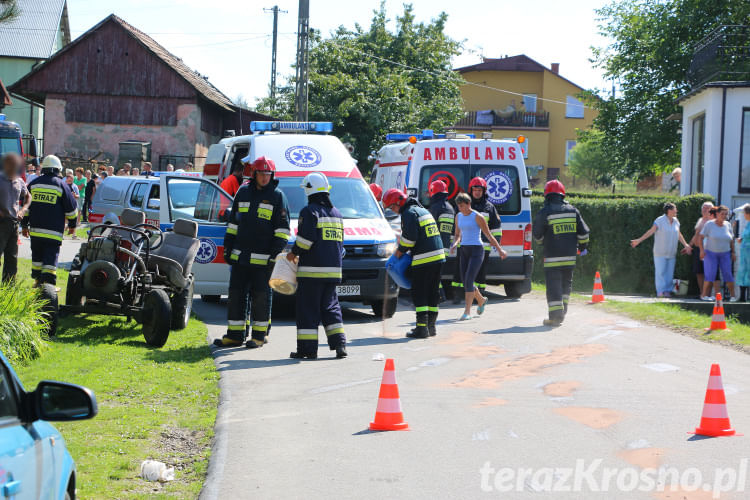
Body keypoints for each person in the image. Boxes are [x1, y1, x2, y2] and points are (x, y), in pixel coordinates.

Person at [215, 156, 290, 348]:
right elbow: (233, 224)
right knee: (236, 295)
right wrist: (228, 247)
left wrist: (274, 255)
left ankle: (258, 335)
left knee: (260, 297)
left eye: (268, 174)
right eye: (261, 174)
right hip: (240, 257)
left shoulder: (278, 196)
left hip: (264, 260)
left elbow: (282, 231)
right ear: (254, 174)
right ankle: (235, 335)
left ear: (271, 175)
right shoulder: (243, 193)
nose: (265, 178)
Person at [286, 172, 347, 359]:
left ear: (310, 190)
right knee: (331, 308)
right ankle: (340, 346)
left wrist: (293, 253)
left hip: (312, 273)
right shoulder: (337, 214)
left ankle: (307, 350)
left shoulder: (309, 211)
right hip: (333, 272)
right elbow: (340, 245)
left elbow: (306, 241)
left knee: (308, 310)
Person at [383, 188, 445, 338]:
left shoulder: (408, 213)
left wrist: (398, 253)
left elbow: (410, 239)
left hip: (424, 258)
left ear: (399, 202)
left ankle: (422, 329)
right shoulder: (421, 210)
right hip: (438, 257)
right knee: (432, 293)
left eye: (392, 207)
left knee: (420, 293)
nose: (393, 211)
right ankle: (431, 327)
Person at [533, 180, 590, 326]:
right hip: (570, 257)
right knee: (566, 286)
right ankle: (562, 313)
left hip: (552, 257)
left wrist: (542, 243)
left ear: (546, 195)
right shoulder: (573, 210)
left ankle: (555, 317)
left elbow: (537, 235)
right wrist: (582, 248)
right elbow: (584, 233)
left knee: (554, 287)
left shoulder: (545, 212)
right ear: (562, 195)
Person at [21, 155, 77, 286]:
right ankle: (48, 286)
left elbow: (26, 208)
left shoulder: (34, 184)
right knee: (50, 259)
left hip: (35, 231)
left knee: (37, 258)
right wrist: (73, 225)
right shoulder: (61, 185)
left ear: (43, 169)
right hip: (53, 232)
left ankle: (37, 282)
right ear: (58, 170)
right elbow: (71, 209)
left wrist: (24, 225)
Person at [451, 192, 506, 320]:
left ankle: (467, 312)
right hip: (464, 250)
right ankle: (481, 300)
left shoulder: (478, 217)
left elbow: (489, 235)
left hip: (477, 250)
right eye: (458, 206)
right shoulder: (458, 216)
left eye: (462, 206)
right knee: (465, 281)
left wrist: (500, 250)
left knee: (469, 280)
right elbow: (457, 234)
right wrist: (455, 243)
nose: (460, 208)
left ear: (469, 204)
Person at [631, 202, 692, 297]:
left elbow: (679, 234)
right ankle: (660, 292)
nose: (676, 211)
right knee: (660, 272)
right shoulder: (660, 220)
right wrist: (639, 240)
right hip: (660, 252)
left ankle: (667, 291)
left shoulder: (676, 221)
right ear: (669, 211)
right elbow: (651, 231)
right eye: (675, 209)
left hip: (671, 252)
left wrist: (686, 245)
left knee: (669, 273)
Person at [468, 177, 503, 296]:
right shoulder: (465, 206)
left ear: (484, 191)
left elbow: (496, 227)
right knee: (468, 271)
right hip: (468, 245)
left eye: (479, 190)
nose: (477, 192)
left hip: (484, 246)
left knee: (481, 272)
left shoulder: (489, 207)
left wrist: (496, 241)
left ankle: (480, 293)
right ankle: (469, 293)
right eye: (475, 190)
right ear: (471, 191)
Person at [0, 153, 30, 281]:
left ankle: (8, 288)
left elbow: (28, 196)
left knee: (12, 258)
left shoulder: (19, 181)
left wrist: (23, 209)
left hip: (13, 223)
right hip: (1, 222)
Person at [698, 205, 737, 302]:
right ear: (717, 214)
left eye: (725, 214)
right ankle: (704, 295)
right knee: (710, 274)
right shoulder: (709, 224)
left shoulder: (728, 225)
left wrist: (733, 252)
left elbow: (731, 240)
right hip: (711, 253)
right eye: (722, 214)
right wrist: (702, 250)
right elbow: (701, 237)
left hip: (725, 253)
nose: (724, 216)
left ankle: (733, 296)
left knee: (728, 273)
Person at [427, 180, 455, 297]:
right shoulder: (450, 207)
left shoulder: (435, 207)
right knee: (436, 273)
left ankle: (440, 296)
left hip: (436, 247)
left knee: (433, 274)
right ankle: (439, 295)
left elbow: (430, 227)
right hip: (446, 247)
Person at [690, 201, 715, 298]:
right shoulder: (700, 220)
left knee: (708, 272)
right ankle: (702, 293)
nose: (705, 210)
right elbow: (696, 234)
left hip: (708, 250)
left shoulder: (713, 221)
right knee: (699, 272)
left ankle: (708, 293)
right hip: (697, 249)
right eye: (703, 208)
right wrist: (689, 245)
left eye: (707, 208)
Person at [735, 205, 750, 301]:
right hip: (745, 254)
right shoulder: (748, 224)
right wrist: (742, 239)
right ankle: (742, 297)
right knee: (743, 273)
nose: (743, 215)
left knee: (748, 273)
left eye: (744, 213)